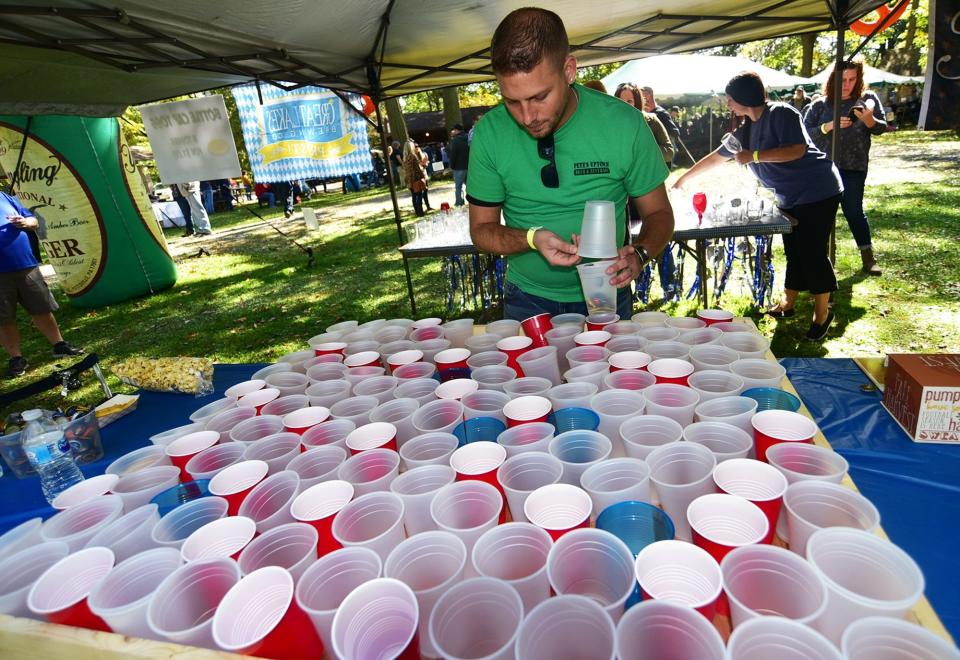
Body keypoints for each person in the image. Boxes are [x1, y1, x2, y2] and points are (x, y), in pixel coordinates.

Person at [467, 7, 674, 321]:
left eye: (540, 97)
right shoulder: (490, 133)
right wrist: (531, 238)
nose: (527, 117)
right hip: (528, 299)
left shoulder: (624, 123)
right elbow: (481, 230)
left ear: (569, 70)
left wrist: (641, 253)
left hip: (606, 294)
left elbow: (659, 213)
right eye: (512, 101)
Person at [674, 72, 844, 341]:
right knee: (794, 251)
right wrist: (683, 179)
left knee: (811, 252)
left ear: (744, 97)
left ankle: (822, 314)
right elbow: (717, 158)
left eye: (730, 99)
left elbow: (797, 149)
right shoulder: (746, 130)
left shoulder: (782, 114)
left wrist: (753, 156)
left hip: (817, 190)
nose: (728, 104)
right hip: (790, 196)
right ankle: (788, 304)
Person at [802, 59, 886, 276]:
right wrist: (827, 126)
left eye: (852, 79)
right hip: (823, 169)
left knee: (853, 211)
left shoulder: (867, 100)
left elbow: (881, 128)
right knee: (822, 216)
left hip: (854, 166)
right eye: (842, 79)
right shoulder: (820, 104)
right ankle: (823, 259)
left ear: (858, 79)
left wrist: (869, 119)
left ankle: (868, 258)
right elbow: (802, 134)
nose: (847, 84)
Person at [1, 192, 83, 377]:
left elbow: (33, 220)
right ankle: (16, 358)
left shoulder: (5, 197)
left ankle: (59, 345)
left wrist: (25, 222)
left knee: (41, 307)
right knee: (4, 317)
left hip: (25, 264)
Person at [615, 82, 678, 299]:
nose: (625, 105)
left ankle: (666, 286)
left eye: (630, 101)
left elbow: (669, 151)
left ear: (637, 102)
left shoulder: (650, 121)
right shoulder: (610, 126)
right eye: (621, 100)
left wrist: (643, 158)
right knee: (625, 244)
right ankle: (628, 289)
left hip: (646, 192)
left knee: (653, 239)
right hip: (623, 199)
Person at [640, 85, 682, 165]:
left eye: (643, 95)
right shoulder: (646, 113)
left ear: (649, 95)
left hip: (663, 148)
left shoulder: (661, 113)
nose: (641, 97)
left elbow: (674, 131)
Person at [403, 139, 428, 216]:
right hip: (416, 178)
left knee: (414, 196)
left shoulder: (405, 157)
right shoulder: (413, 156)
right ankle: (420, 212)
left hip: (409, 179)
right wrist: (423, 175)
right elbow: (417, 168)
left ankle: (417, 212)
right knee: (419, 195)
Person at [448, 123, 469, 207]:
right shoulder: (468, 137)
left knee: (458, 187)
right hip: (469, 166)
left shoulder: (456, 140)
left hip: (458, 167)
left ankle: (459, 202)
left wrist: (451, 166)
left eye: (454, 130)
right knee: (470, 186)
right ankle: (473, 200)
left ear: (457, 130)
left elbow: (453, 154)